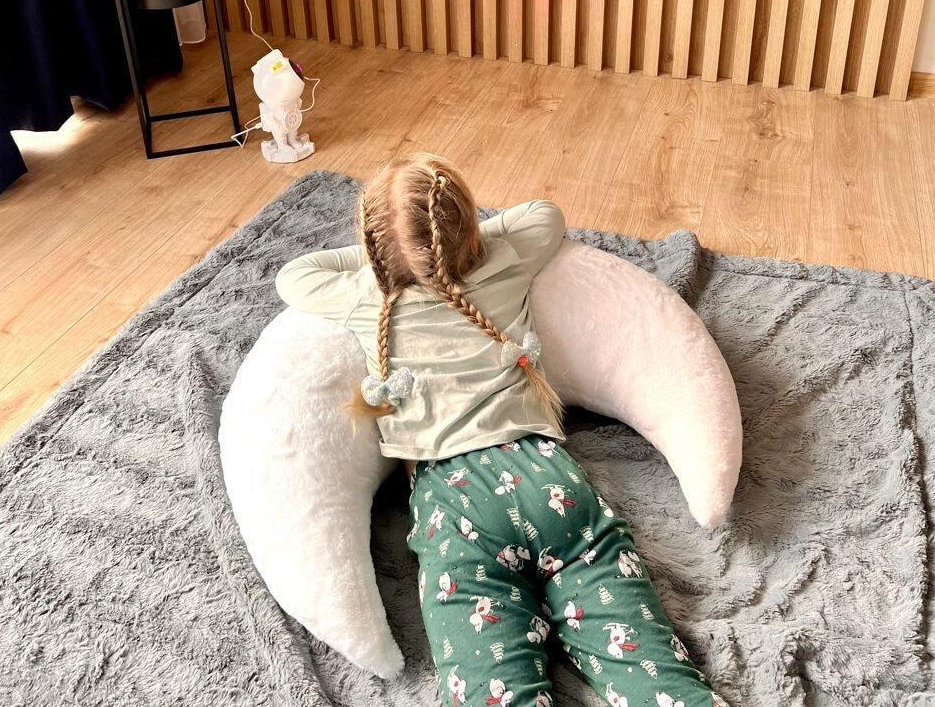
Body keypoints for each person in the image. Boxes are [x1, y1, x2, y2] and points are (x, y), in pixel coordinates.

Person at [277, 153, 725, 707]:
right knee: (652, 670)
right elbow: (545, 214)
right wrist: (458, 245)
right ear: (467, 230)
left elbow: (294, 277)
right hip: (550, 483)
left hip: (456, 509)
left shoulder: (366, 297)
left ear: (373, 250)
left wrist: (387, 259)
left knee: (494, 692)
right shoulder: (504, 262)